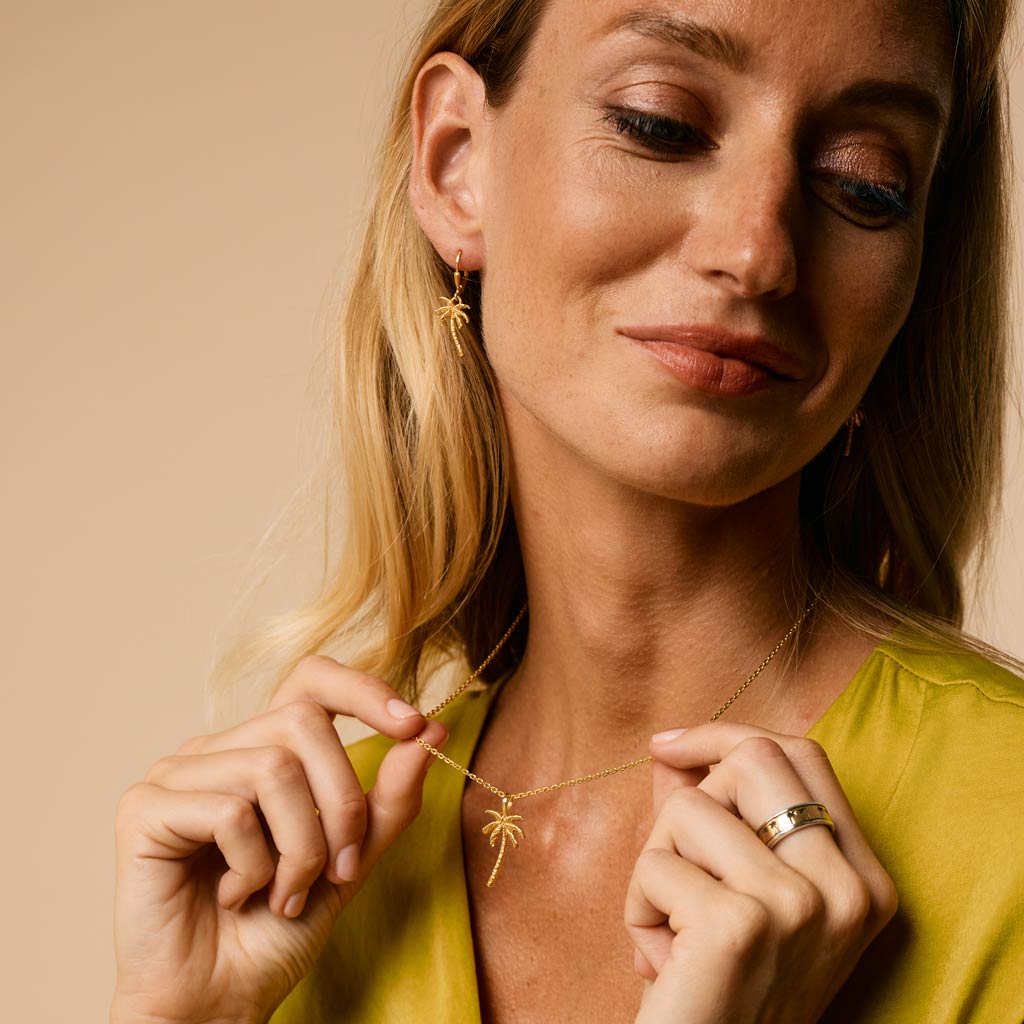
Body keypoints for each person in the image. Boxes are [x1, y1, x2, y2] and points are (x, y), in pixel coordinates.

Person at [111, 0, 1024, 1022]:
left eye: (866, 181)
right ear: (457, 162)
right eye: (659, 123)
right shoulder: (297, 862)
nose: (756, 251)